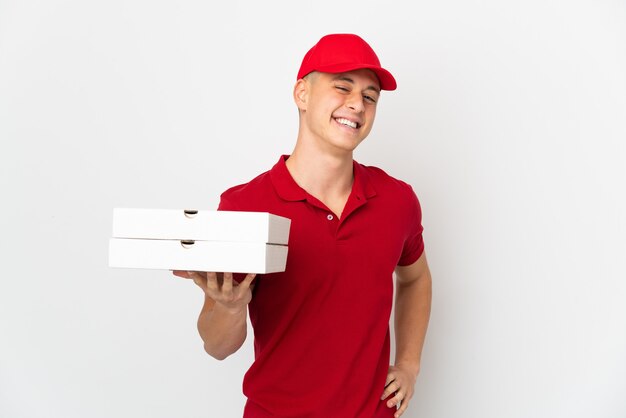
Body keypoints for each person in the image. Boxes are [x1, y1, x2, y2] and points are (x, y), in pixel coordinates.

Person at [174, 33, 432, 418]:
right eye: (342, 87)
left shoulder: (397, 201)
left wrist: (409, 365)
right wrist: (230, 308)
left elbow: (415, 278)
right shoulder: (244, 206)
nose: (357, 105)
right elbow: (218, 346)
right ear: (302, 94)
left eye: (369, 96)